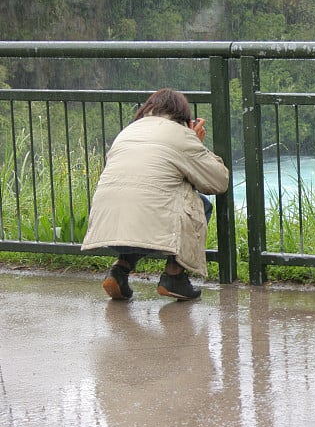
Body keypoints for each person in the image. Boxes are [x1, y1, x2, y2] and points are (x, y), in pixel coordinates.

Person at [82, 88, 229, 301]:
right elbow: (218, 181)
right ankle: (174, 276)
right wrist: (194, 141)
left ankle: (119, 271)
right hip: (150, 221)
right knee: (201, 204)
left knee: (145, 206)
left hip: (108, 225)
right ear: (183, 116)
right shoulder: (181, 136)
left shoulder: (128, 131)